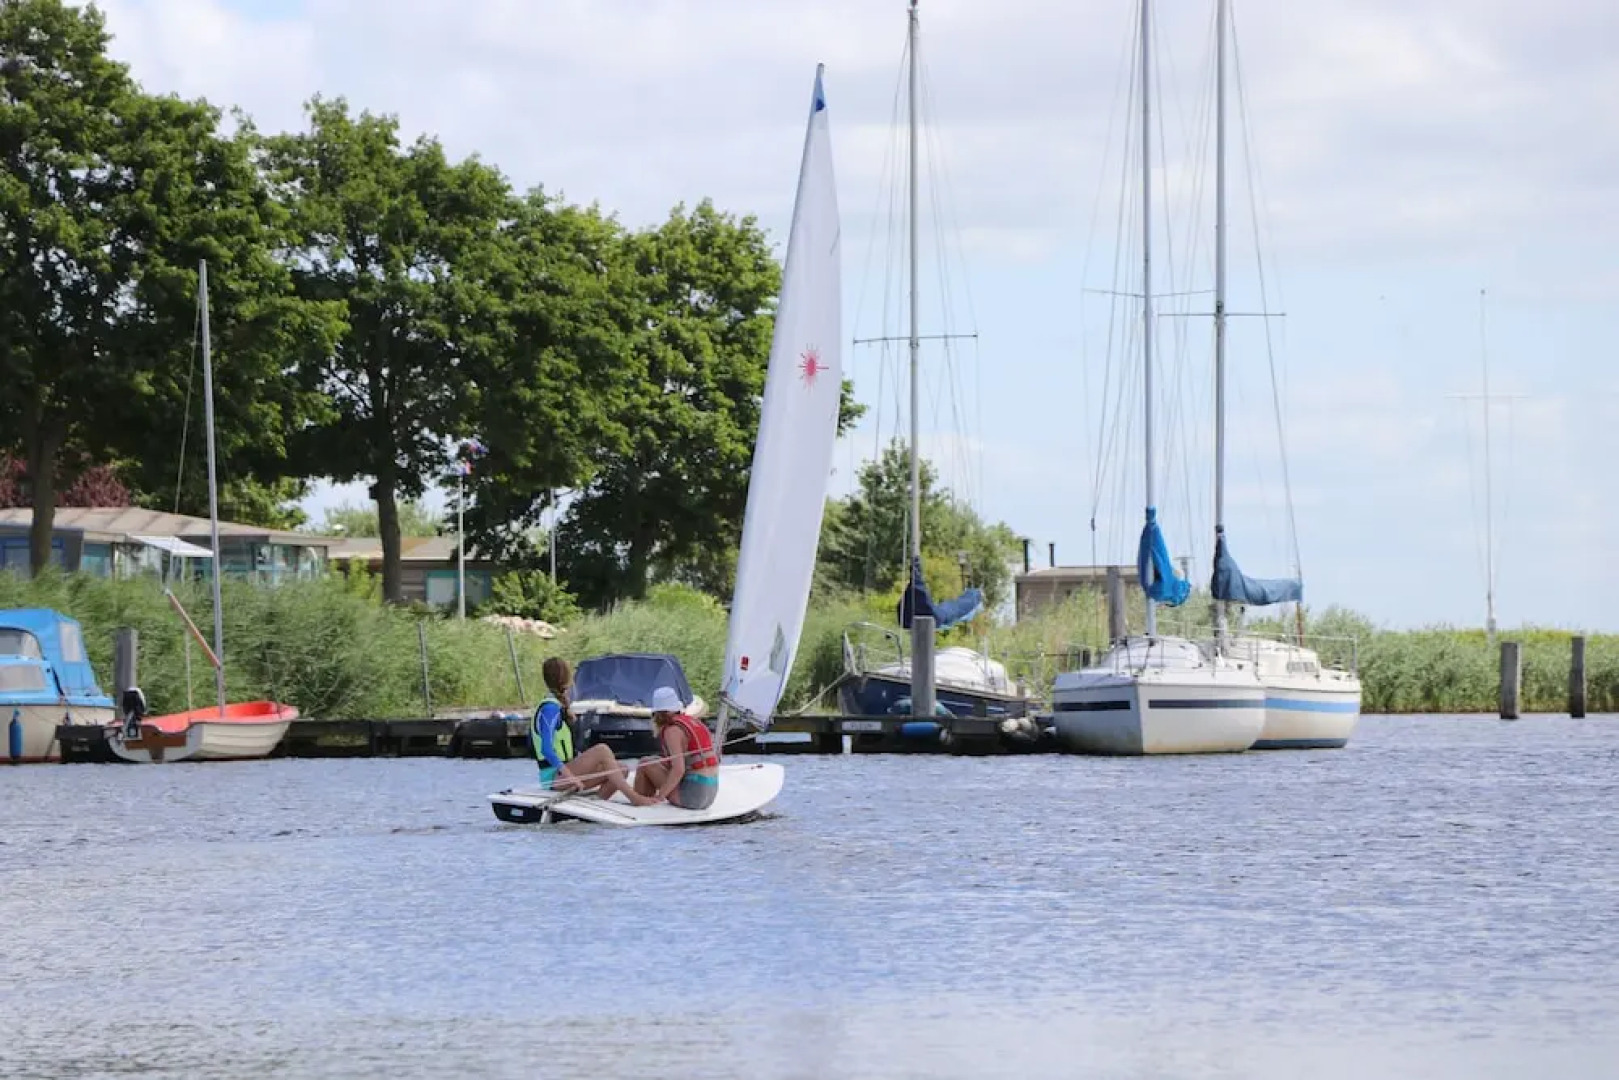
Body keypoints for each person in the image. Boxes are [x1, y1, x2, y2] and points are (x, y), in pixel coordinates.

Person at [533, 657, 654, 805]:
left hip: (564, 772)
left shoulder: (559, 706)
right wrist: (571, 777)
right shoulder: (549, 709)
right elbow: (546, 749)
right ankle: (634, 798)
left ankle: (593, 804)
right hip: (553, 777)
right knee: (602, 750)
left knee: (621, 769)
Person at [633, 685, 720, 810]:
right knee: (653, 760)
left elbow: (679, 769)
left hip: (691, 797)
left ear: (658, 713)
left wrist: (660, 796)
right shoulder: (693, 722)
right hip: (710, 794)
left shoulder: (672, 730)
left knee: (645, 763)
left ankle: (640, 802)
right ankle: (646, 797)